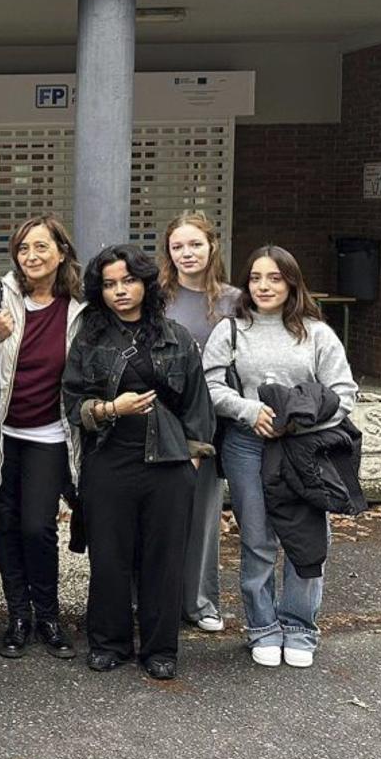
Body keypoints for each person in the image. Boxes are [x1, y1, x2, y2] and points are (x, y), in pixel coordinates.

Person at [62, 245, 215, 680]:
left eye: (128, 281)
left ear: (146, 284)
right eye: (109, 284)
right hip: (109, 460)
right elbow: (73, 401)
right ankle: (108, 642)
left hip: (168, 464)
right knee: (109, 558)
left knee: (163, 560)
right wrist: (113, 409)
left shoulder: (176, 337)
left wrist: (192, 462)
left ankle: (160, 648)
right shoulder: (89, 339)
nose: (119, 291)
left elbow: (197, 407)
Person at [203, 246, 358, 669]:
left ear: (291, 282)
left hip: (305, 450)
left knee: (309, 540)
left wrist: (301, 423)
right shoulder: (230, 330)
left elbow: (344, 393)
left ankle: (300, 626)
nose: (264, 286)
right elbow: (210, 384)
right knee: (258, 539)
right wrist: (248, 410)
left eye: (274, 277)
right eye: (255, 278)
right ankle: (263, 626)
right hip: (247, 445)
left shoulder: (317, 333)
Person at [0, 214, 85, 660]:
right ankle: (18, 616)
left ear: (61, 253)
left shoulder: (79, 308)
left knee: (37, 527)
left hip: (48, 435)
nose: (32, 257)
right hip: (0, 435)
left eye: (41, 247)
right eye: (24, 249)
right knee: (4, 527)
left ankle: (48, 615)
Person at [158, 211, 244, 634]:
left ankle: (200, 601)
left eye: (195, 244)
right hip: (159, 420)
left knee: (202, 514)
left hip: (209, 423)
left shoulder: (234, 300)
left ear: (212, 246)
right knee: (155, 514)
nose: (187, 253)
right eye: (178, 246)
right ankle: (153, 599)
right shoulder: (157, 296)